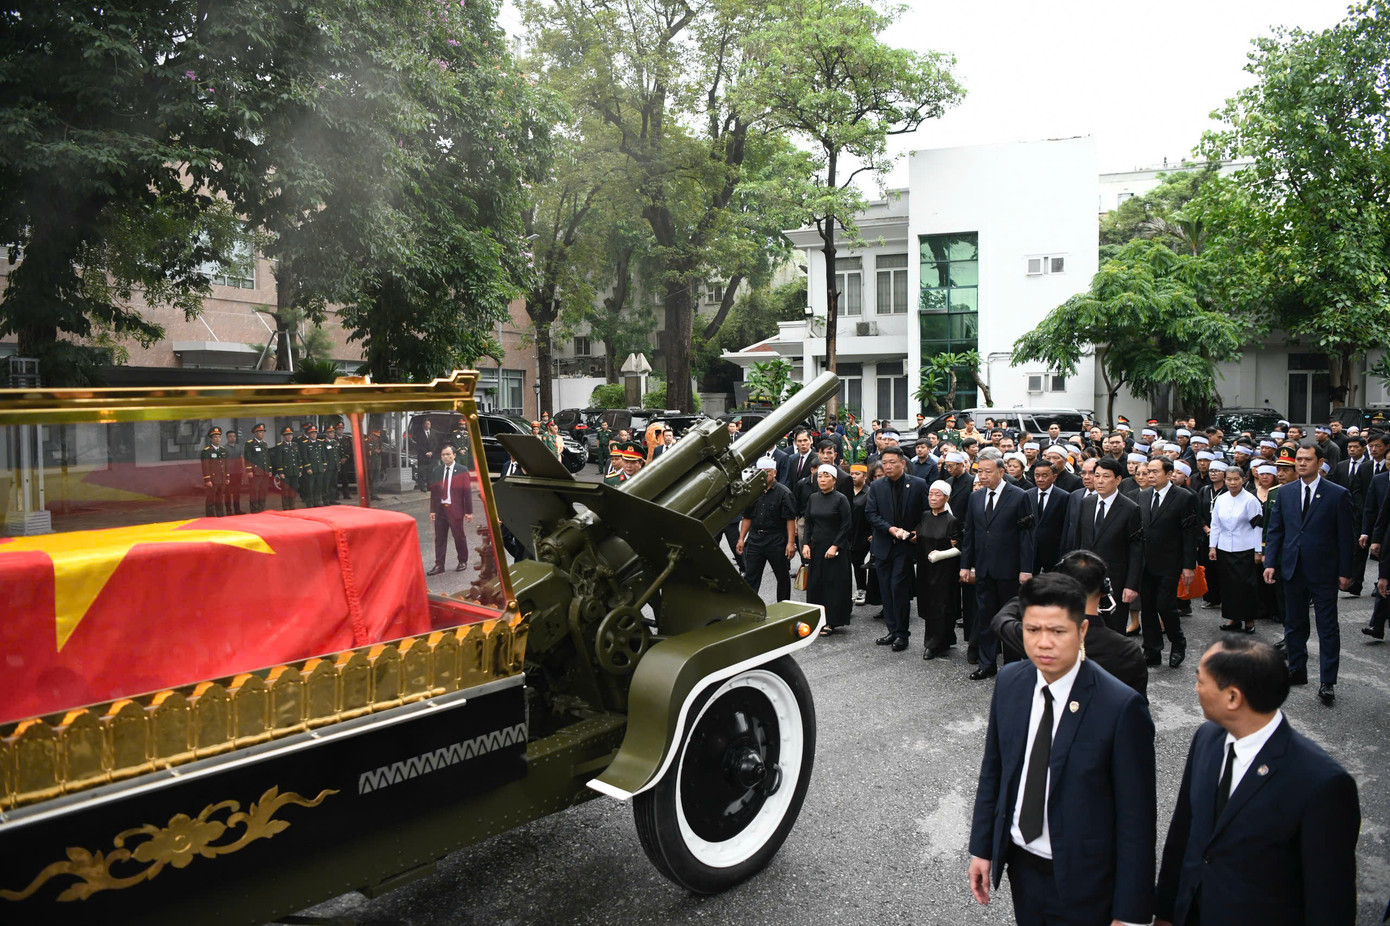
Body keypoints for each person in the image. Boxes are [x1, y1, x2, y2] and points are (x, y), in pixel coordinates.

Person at [968, 574, 1156, 926]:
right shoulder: (1012, 682)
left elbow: (1137, 818)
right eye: (1033, 630)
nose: (1043, 643)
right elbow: (994, 770)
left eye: (1057, 632)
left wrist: (1131, 912)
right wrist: (982, 846)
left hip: (1087, 879)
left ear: (1082, 631)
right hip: (1022, 865)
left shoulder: (1119, 707)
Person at [1155, 638, 1360, 926]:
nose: (1195, 688)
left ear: (1233, 697)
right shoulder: (1207, 738)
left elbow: (1328, 898)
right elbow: (1184, 832)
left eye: (1201, 681)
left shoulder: (1322, 784)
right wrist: (1165, 912)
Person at [1263, 444, 1356, 704]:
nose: (1301, 464)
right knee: (1293, 623)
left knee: (1327, 628)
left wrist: (1346, 572)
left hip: (1324, 571)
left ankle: (1327, 680)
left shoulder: (1337, 494)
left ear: (1320, 462)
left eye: (1307, 459)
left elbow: (1346, 538)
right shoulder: (1285, 493)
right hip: (1292, 568)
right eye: (1299, 460)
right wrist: (1271, 563)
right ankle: (1297, 669)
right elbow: (1276, 531)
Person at [992, 550, 1148, 698]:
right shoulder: (1128, 651)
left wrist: (1034, 595)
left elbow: (1002, 620)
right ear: (1105, 590)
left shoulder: (1040, 640)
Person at [960, 455, 1036, 679]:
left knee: (1011, 619)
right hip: (983, 569)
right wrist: (965, 565)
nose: (982, 476)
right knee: (985, 617)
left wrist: (1026, 569)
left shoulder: (1019, 496)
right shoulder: (975, 497)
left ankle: (1013, 666)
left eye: (987, 471)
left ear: (1002, 472)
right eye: (979, 471)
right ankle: (987, 663)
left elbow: (1027, 536)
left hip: (1010, 569)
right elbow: (970, 534)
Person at [1062, 458, 1142, 634]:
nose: (1099, 480)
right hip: (1085, 577)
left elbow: (1136, 551)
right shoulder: (1086, 503)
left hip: (1116, 579)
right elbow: (1078, 542)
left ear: (1118, 480)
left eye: (1105, 476)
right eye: (1096, 475)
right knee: (1084, 627)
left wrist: (1131, 585)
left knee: (1113, 628)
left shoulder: (1130, 509)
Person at [865, 446, 928, 652]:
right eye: (885, 462)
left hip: (905, 546)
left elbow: (926, 513)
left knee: (898, 589)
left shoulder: (917, 484)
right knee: (885, 590)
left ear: (902, 463)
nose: (888, 466)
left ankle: (902, 634)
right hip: (883, 544)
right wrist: (889, 529)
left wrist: (917, 531)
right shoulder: (877, 486)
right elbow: (871, 514)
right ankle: (891, 629)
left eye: (893, 462)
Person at [1138, 457, 1199, 667]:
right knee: (1147, 608)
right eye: (1148, 472)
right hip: (1145, 563)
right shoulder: (1143, 496)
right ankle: (1152, 650)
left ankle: (1178, 642)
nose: (1150, 476)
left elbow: (1190, 534)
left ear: (1169, 473)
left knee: (1165, 606)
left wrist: (1188, 565)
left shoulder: (1184, 497)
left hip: (1170, 562)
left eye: (1155, 472)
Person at [1209, 465, 1263, 634]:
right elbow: (1215, 524)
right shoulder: (1221, 499)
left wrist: (1257, 550)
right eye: (1229, 479)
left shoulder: (1250, 500)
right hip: (1225, 548)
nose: (1232, 483)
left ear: (1243, 480)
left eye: (1236, 479)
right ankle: (1233, 618)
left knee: (1246, 586)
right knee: (1228, 586)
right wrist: (1213, 546)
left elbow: (1258, 527)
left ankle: (1249, 620)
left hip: (1245, 548)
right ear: (1225, 480)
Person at [913, 479, 962, 659]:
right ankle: (945, 639)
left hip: (944, 571)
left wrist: (941, 554)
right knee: (928, 604)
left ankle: (933, 644)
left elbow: (960, 547)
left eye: (937, 495)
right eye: (931, 494)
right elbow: (919, 535)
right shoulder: (925, 516)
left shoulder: (952, 521)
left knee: (941, 606)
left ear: (947, 498)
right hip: (925, 569)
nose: (933, 498)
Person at [738, 458, 798, 602]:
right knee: (751, 576)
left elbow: (790, 519)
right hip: (755, 539)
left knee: (782, 577)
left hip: (776, 540)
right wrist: (741, 538)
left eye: (768, 472)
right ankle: (749, 607)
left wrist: (791, 543)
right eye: (761, 473)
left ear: (775, 472)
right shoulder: (752, 492)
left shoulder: (784, 493)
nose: (765, 476)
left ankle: (784, 606)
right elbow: (747, 517)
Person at [803, 464, 852, 636]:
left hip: (835, 549)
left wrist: (835, 545)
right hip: (817, 547)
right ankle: (817, 619)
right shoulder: (813, 498)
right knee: (816, 584)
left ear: (834, 479)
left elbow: (846, 525)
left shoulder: (840, 499)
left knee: (833, 585)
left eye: (826, 476)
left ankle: (832, 621)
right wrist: (805, 544)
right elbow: (808, 522)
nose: (822, 479)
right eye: (819, 476)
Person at [1331, 433, 1371, 595]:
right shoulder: (1341, 466)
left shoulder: (1368, 466)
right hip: (1343, 510)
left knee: (1359, 548)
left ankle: (1356, 582)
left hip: (1361, 512)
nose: (1352, 450)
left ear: (1363, 448)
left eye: (1356, 447)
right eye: (1349, 447)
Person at [428, 444, 473, 575]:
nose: (446, 457)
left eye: (448, 454)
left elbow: (467, 492)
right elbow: (434, 492)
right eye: (443, 455)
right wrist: (432, 510)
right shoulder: (437, 470)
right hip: (441, 509)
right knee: (440, 538)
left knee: (459, 536)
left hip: (455, 509)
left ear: (454, 455)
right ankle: (439, 564)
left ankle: (462, 561)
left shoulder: (462, 470)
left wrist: (468, 512)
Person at [1029, 460, 1071, 574]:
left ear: (1054, 477)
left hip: (1053, 553)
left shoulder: (1064, 497)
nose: (1040, 479)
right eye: (1037, 475)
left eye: (1044, 475)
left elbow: (1066, 526)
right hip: (1031, 553)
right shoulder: (1027, 495)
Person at [200, 426, 229, 517]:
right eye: (215, 437)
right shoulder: (207, 451)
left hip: (221, 479)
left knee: (220, 499)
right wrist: (207, 480)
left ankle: (220, 516)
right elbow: (205, 467)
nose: (218, 439)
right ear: (211, 439)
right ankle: (210, 517)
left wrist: (227, 477)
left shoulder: (223, 450)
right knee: (211, 500)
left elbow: (226, 465)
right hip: (212, 480)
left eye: (219, 437)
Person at [243, 423, 271, 513]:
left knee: (263, 492)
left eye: (263, 432)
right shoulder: (250, 444)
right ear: (255, 433)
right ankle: (254, 510)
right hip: (255, 472)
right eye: (260, 432)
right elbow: (247, 458)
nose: (262, 434)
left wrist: (269, 469)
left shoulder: (264, 444)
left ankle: (261, 508)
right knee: (254, 492)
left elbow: (267, 458)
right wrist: (249, 470)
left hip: (264, 472)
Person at [271, 425, 300, 509]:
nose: (289, 436)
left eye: (291, 434)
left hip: (294, 471)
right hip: (285, 473)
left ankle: (292, 505)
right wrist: (280, 472)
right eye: (287, 435)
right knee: (285, 491)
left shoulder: (295, 445)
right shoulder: (280, 446)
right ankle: (286, 506)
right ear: (284, 436)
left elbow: (298, 458)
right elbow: (278, 460)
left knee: (293, 490)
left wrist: (300, 469)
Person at [224, 428, 244, 514]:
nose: (232, 438)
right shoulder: (224, 448)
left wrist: (242, 471)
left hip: (238, 473)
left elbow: (241, 459)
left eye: (234, 436)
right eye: (230, 436)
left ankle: (237, 510)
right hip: (228, 474)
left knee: (237, 493)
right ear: (227, 438)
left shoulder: (239, 447)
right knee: (228, 493)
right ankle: (228, 510)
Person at [415, 417, 438, 491]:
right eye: (426, 424)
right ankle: (422, 486)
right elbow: (419, 445)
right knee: (422, 472)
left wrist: (432, 452)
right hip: (422, 455)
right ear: (423, 425)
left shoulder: (433, 432)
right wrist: (426, 452)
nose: (427, 425)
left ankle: (429, 486)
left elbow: (436, 444)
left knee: (430, 471)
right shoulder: (419, 433)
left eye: (428, 424)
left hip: (431, 455)